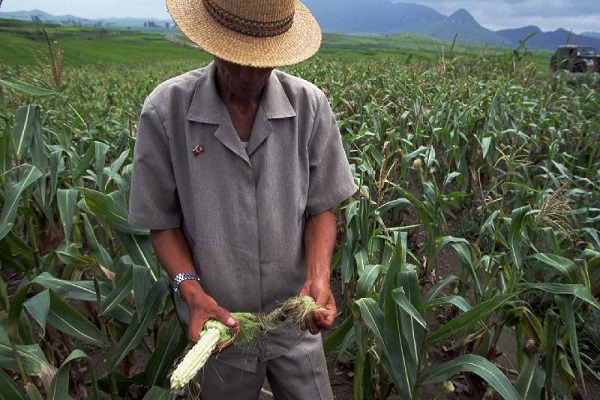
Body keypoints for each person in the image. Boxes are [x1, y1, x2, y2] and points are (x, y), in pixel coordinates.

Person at [128, 0, 356, 398]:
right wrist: (192, 293)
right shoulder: (166, 112)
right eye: (235, 58)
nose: (248, 75)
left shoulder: (309, 107)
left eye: (261, 61)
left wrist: (318, 276)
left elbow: (322, 208)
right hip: (219, 330)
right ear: (211, 43)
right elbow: (161, 223)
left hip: (294, 323)